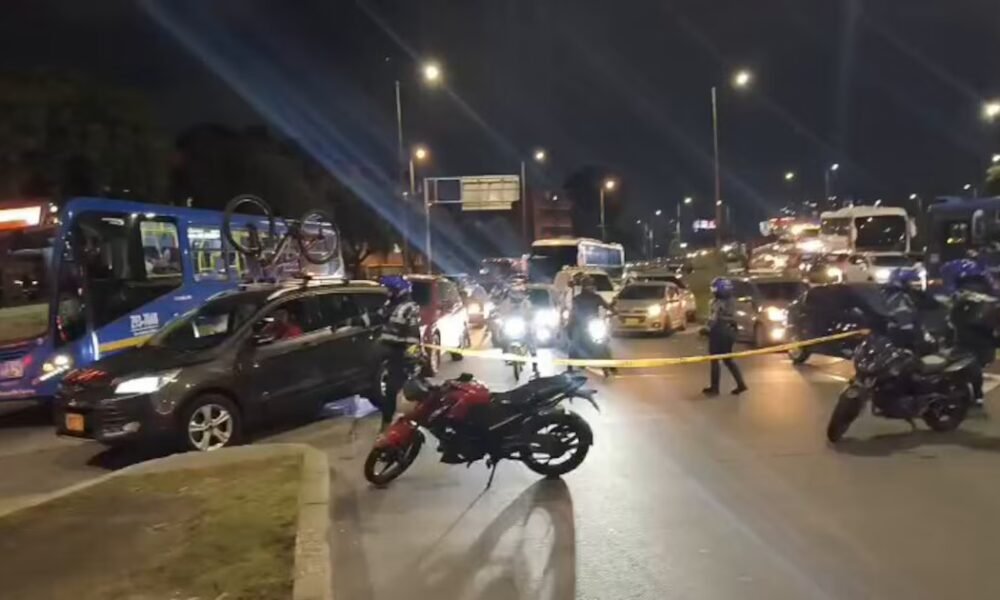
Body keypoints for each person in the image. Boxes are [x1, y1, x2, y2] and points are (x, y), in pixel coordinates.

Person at [942, 259, 1000, 408]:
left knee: (966, 366)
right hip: (978, 341)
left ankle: (975, 396)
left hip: (972, 341)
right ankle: (975, 396)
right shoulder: (982, 293)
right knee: (968, 367)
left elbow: (953, 318)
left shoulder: (965, 298)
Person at [377, 275, 423, 430]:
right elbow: (376, 319)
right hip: (390, 355)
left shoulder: (409, 308)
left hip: (401, 355)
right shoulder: (390, 305)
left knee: (401, 391)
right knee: (391, 392)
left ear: (399, 291)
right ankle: (388, 422)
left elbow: (413, 337)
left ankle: (394, 425)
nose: (388, 292)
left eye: (390, 290)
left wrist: (411, 359)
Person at [703, 277, 747, 396]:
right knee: (728, 359)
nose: (713, 291)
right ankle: (741, 384)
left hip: (720, 332)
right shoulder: (731, 301)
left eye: (715, 288)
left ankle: (715, 387)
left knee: (715, 360)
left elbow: (715, 318)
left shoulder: (719, 302)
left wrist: (707, 329)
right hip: (729, 332)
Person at [567, 275, 616, 373]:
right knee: (574, 343)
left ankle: (611, 365)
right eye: (588, 285)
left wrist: (613, 310)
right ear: (583, 286)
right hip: (581, 323)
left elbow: (607, 306)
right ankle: (570, 366)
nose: (590, 287)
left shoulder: (597, 297)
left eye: (591, 285)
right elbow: (573, 312)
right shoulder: (577, 299)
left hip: (594, 323)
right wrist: (571, 322)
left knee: (603, 342)